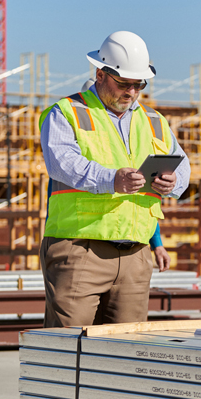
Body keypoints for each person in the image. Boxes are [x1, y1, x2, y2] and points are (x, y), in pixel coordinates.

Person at [39, 30, 190, 330]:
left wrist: (173, 183)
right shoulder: (67, 113)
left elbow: (182, 164)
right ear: (100, 74)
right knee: (67, 350)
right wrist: (111, 179)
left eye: (139, 85)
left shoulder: (155, 121)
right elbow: (61, 164)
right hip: (80, 248)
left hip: (136, 255)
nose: (132, 92)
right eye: (124, 84)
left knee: (125, 354)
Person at [80, 77, 171, 272]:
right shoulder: (76, 147)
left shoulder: (125, 148)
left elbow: (139, 204)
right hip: (84, 245)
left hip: (130, 248)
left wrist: (158, 245)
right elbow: (59, 201)